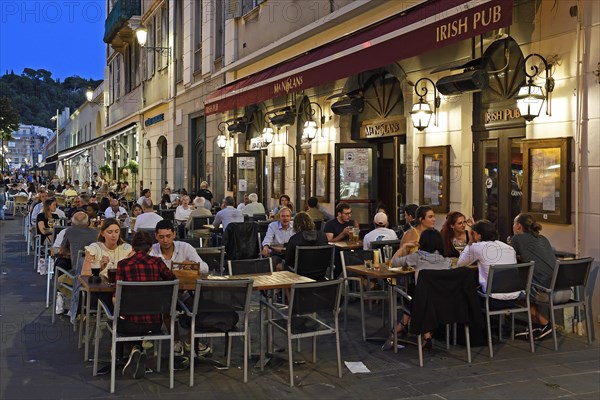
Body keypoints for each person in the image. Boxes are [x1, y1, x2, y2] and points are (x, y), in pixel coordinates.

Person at [116, 231, 176, 379]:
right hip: (154, 323)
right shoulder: (157, 263)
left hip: (128, 325)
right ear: (150, 248)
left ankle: (131, 351)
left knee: (121, 315)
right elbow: (172, 280)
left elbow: (117, 294)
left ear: (133, 247)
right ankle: (137, 349)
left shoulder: (122, 265)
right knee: (140, 313)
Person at [149, 220, 211, 357]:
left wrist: (189, 266)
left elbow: (205, 267)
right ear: (156, 236)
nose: (165, 240)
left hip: (185, 292)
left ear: (174, 234)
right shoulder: (152, 250)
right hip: (163, 293)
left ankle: (190, 340)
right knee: (165, 304)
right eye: (161, 237)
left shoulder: (185, 247)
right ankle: (175, 340)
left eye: (168, 236)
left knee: (199, 303)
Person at [385, 229, 452, 350]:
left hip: (423, 302)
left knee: (413, 291)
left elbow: (393, 263)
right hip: (443, 301)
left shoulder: (418, 257)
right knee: (414, 289)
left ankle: (404, 325)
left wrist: (403, 247)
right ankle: (416, 331)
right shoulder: (447, 260)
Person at [512, 213, 565, 340]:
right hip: (559, 284)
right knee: (529, 283)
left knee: (514, 292)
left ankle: (544, 323)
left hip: (544, 287)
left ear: (518, 226)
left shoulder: (517, 239)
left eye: (514, 223)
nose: (513, 226)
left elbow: (508, 257)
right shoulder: (543, 239)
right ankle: (536, 326)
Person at [456, 219, 519, 308]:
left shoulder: (477, 247)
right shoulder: (509, 247)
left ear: (478, 235)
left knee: (465, 290)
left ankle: (473, 321)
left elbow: (460, 264)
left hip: (492, 299)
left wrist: (470, 241)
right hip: (514, 298)